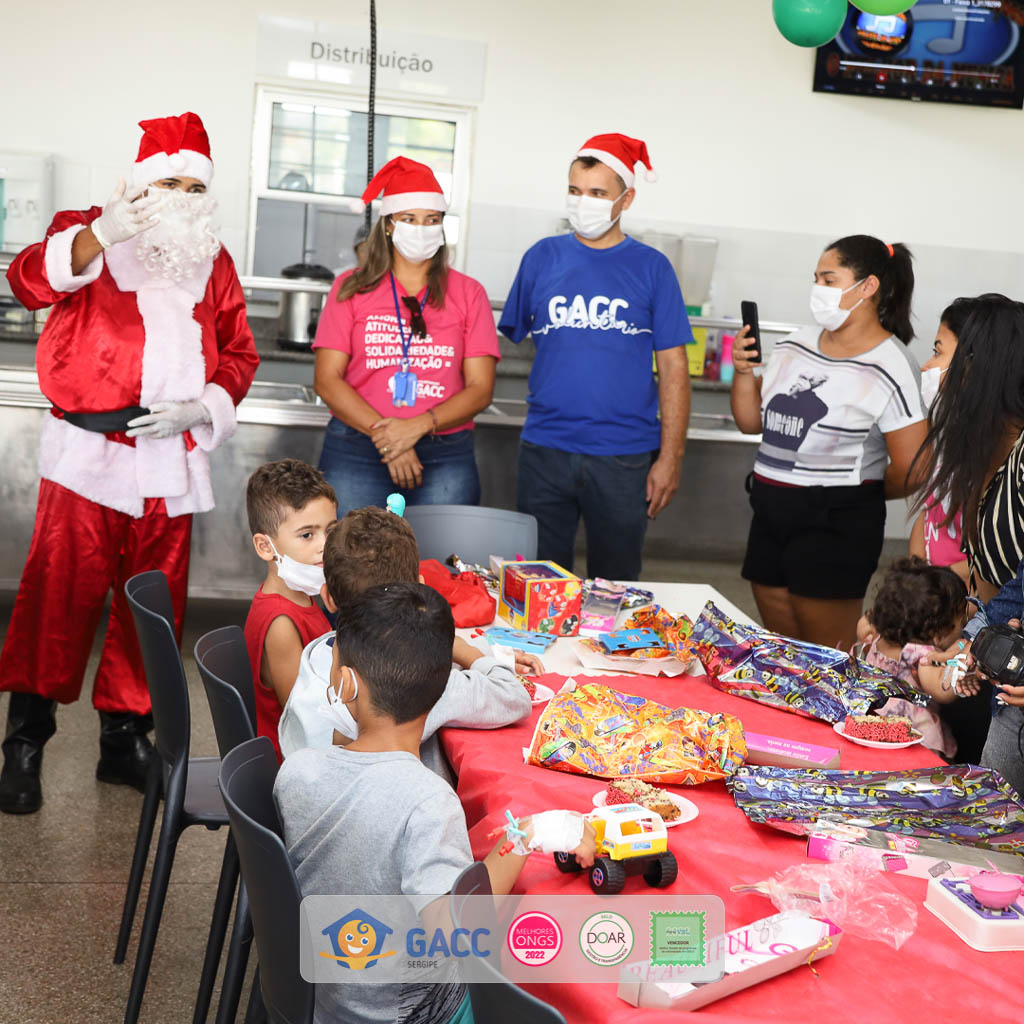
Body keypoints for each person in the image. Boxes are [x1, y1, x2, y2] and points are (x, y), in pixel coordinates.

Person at [0, 112, 258, 815]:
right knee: (57, 598)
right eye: (165, 181)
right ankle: (25, 741)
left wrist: (202, 407)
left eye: (190, 184)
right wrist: (100, 235)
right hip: (85, 458)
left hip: (167, 462)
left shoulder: (214, 258)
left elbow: (238, 353)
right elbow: (28, 282)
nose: (176, 195)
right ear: (140, 183)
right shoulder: (88, 229)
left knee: (152, 609)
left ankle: (124, 740)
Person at [273, 582, 596, 1024]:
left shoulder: (296, 773)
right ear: (444, 684)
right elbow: (456, 933)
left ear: (344, 682)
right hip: (411, 1013)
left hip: (330, 999)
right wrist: (531, 835)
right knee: (553, 949)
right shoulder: (427, 801)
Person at [499, 133, 692, 581]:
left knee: (616, 585)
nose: (582, 203)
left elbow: (674, 369)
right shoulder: (541, 258)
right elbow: (517, 333)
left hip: (623, 457)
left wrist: (671, 458)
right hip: (545, 449)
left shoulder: (652, 268)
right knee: (538, 585)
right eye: (574, 190)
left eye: (597, 193)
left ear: (626, 199)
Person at [731, 234, 926, 651]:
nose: (818, 288)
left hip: (835, 522)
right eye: (816, 278)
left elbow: (913, 467)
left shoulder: (891, 364)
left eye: (829, 278)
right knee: (783, 651)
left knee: (827, 657)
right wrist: (743, 372)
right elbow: (750, 422)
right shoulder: (793, 345)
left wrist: (859, 491)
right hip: (769, 513)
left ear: (868, 286)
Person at [277, 506, 537, 781]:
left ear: (328, 597)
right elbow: (514, 697)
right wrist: (464, 651)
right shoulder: (420, 679)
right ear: (421, 589)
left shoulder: (313, 659)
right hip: (414, 813)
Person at [313, 156, 499, 514]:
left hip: (445, 451)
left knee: (440, 563)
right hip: (357, 447)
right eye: (409, 219)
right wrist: (389, 438)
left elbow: (481, 389)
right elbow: (327, 379)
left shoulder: (468, 293)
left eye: (432, 220)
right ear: (388, 225)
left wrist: (414, 428)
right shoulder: (350, 288)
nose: (422, 228)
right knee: (351, 561)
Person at [908, 294, 1024, 605]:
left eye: (940, 353)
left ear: (980, 368)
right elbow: (986, 595)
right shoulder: (978, 450)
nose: (929, 366)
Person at [244, 460, 338, 761]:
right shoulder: (281, 622)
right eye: (307, 535)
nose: (325, 546)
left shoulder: (303, 598)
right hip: (292, 768)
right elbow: (308, 723)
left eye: (330, 530)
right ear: (265, 547)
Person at [855, 557, 973, 758]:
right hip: (911, 738)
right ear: (938, 633)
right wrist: (966, 655)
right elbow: (942, 690)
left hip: (870, 722)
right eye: (961, 621)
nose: (963, 628)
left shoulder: (875, 635)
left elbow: (864, 622)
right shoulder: (921, 657)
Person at [908, 298, 980, 586]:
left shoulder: (1002, 453)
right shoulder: (950, 428)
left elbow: (996, 562)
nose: (927, 367)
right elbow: (929, 513)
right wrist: (913, 579)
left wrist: (928, 588)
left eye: (938, 353)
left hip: (957, 604)